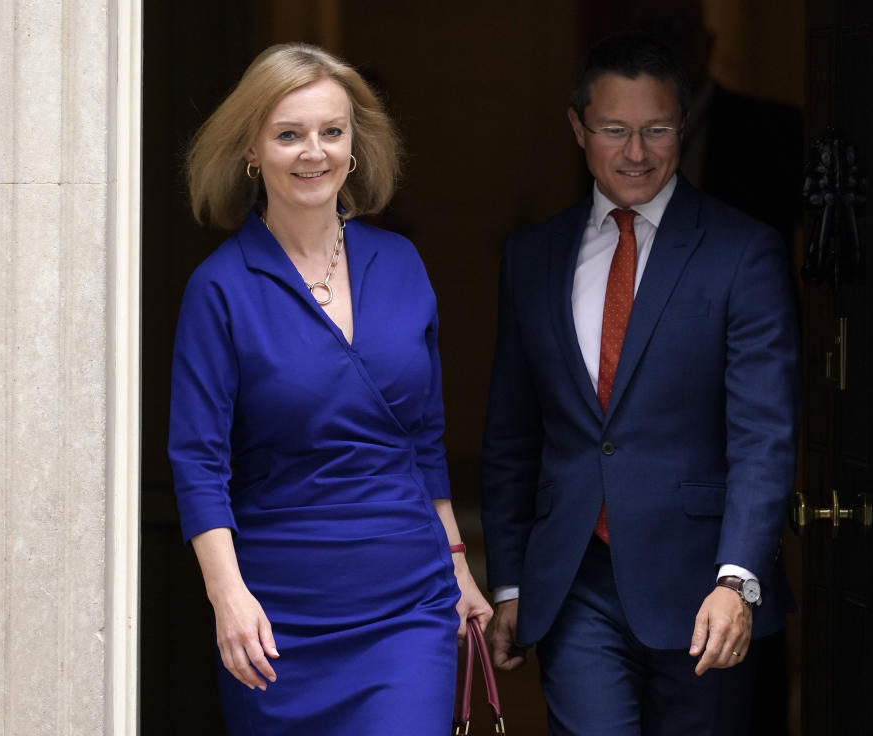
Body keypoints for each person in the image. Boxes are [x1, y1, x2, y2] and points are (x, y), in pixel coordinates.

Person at [480, 31, 800, 735]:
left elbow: (763, 435)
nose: (635, 152)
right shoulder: (532, 257)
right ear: (577, 128)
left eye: (656, 130)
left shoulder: (742, 252)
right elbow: (510, 434)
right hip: (575, 583)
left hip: (702, 588)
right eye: (614, 130)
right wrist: (508, 581)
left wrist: (737, 578)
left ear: (681, 127)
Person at [169, 42, 491, 736]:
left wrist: (458, 563)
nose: (313, 152)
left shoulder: (400, 262)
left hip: (409, 604)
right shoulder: (220, 288)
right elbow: (197, 461)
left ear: (354, 145)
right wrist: (227, 599)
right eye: (288, 134)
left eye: (331, 131)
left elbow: (424, 440)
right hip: (280, 616)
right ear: (252, 151)